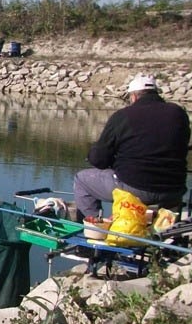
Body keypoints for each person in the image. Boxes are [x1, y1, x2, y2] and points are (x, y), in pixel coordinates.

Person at [73, 74, 190, 221]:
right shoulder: (178, 113)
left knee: (82, 179)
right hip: (174, 188)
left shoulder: (123, 116)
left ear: (134, 96)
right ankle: (167, 235)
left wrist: (95, 155)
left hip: (136, 187)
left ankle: (97, 229)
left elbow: (98, 160)